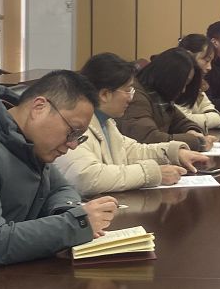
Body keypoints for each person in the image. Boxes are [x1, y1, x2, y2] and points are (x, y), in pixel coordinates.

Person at [0, 70, 119, 272]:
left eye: (78, 137)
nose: (73, 145)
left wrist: (65, 212)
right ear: (39, 107)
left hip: (6, 271)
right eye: (72, 132)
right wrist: (74, 224)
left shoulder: (24, 137)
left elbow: (61, 189)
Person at [56, 52, 210, 195]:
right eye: (128, 90)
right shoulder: (76, 125)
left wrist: (173, 152)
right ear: (105, 94)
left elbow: (130, 151)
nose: (131, 97)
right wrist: (152, 173)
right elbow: (85, 177)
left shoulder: (106, 121)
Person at [118, 48, 217, 150]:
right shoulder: (136, 96)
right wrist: (196, 142)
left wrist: (192, 131)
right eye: (182, 83)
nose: (183, 90)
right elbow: (147, 138)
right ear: (168, 78)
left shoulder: (161, 97)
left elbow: (181, 122)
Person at [177, 33, 220, 131]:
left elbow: (208, 106)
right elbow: (183, 120)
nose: (209, 67)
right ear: (188, 57)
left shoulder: (197, 82)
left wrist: (214, 117)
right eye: (206, 60)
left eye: (210, 62)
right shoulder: (176, 81)